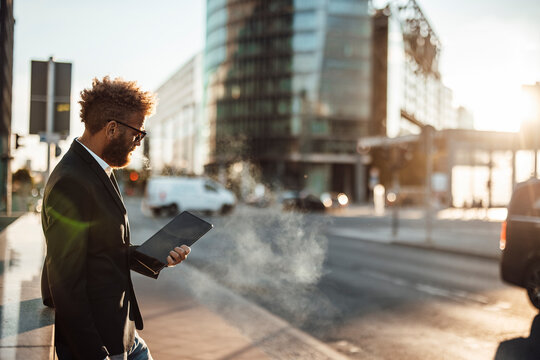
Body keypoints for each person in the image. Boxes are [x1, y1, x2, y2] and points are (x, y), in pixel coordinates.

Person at [40, 76, 190, 360]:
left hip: (123, 334)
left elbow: (102, 250)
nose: (138, 142)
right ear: (111, 129)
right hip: (103, 343)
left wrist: (158, 255)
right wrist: (96, 355)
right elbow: (66, 284)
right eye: (137, 134)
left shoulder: (95, 169)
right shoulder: (72, 181)